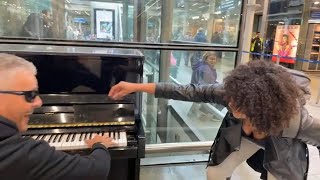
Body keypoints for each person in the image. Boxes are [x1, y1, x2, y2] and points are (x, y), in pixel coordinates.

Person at [108, 60, 320, 179]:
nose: (231, 105)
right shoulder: (232, 93)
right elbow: (186, 91)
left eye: (240, 106)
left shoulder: (295, 121)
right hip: (239, 136)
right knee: (215, 174)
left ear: (259, 108)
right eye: (231, 100)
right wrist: (136, 87)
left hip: (282, 151)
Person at [0, 53, 113, 179]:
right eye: (30, 95)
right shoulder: (21, 152)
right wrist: (100, 145)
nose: (39, 102)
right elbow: (96, 170)